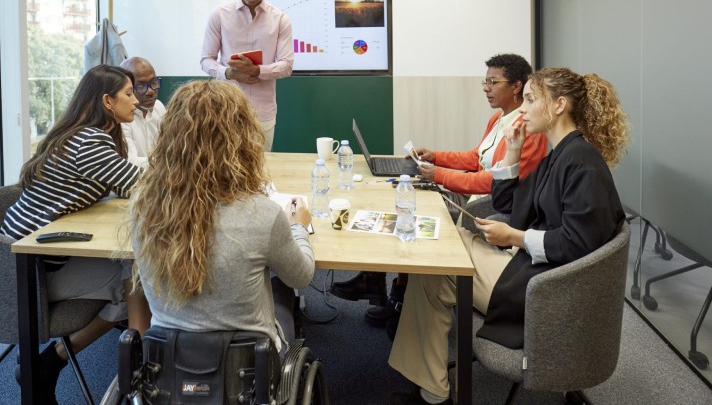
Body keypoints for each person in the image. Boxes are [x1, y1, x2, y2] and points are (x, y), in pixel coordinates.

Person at [387, 68, 629, 405]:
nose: (523, 109)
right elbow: (511, 206)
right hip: (532, 270)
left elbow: (577, 244)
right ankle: (431, 388)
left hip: (544, 288)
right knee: (445, 249)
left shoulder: (581, 163)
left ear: (559, 105)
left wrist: (516, 237)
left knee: (437, 267)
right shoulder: (560, 156)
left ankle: (433, 392)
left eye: (530, 100)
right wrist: (512, 153)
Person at [330, 54, 548, 328]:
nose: (486, 88)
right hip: (472, 193)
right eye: (485, 81)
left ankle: (399, 295)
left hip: (486, 205)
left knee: (412, 206)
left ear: (516, 86)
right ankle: (380, 280)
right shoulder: (498, 119)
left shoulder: (526, 132)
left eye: (493, 82)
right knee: (403, 194)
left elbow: (495, 183)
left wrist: (440, 175)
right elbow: (474, 158)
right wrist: (437, 157)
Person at [1, 64, 151, 404]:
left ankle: (49, 363)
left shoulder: (81, 134)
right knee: (137, 276)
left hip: (26, 261)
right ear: (107, 102)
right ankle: (143, 373)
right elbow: (143, 187)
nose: (136, 101)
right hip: (31, 274)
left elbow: (125, 187)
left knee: (132, 275)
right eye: (129, 93)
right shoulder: (91, 141)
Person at [130, 80, 314, 356]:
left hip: (169, 358)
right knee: (283, 294)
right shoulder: (264, 213)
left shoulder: (143, 208)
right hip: (249, 364)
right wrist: (298, 224)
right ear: (241, 138)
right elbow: (301, 276)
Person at [200, 0, 294, 152]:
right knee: (224, 167)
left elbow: (287, 65)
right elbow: (205, 60)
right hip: (225, 107)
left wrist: (257, 70)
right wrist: (229, 73)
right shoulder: (219, 15)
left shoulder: (280, 19)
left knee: (261, 167)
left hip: (263, 110)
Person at [120, 56, 166, 167]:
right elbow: (131, 162)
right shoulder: (120, 117)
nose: (150, 91)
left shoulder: (158, 106)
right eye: (140, 86)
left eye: (154, 83)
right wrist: (170, 161)